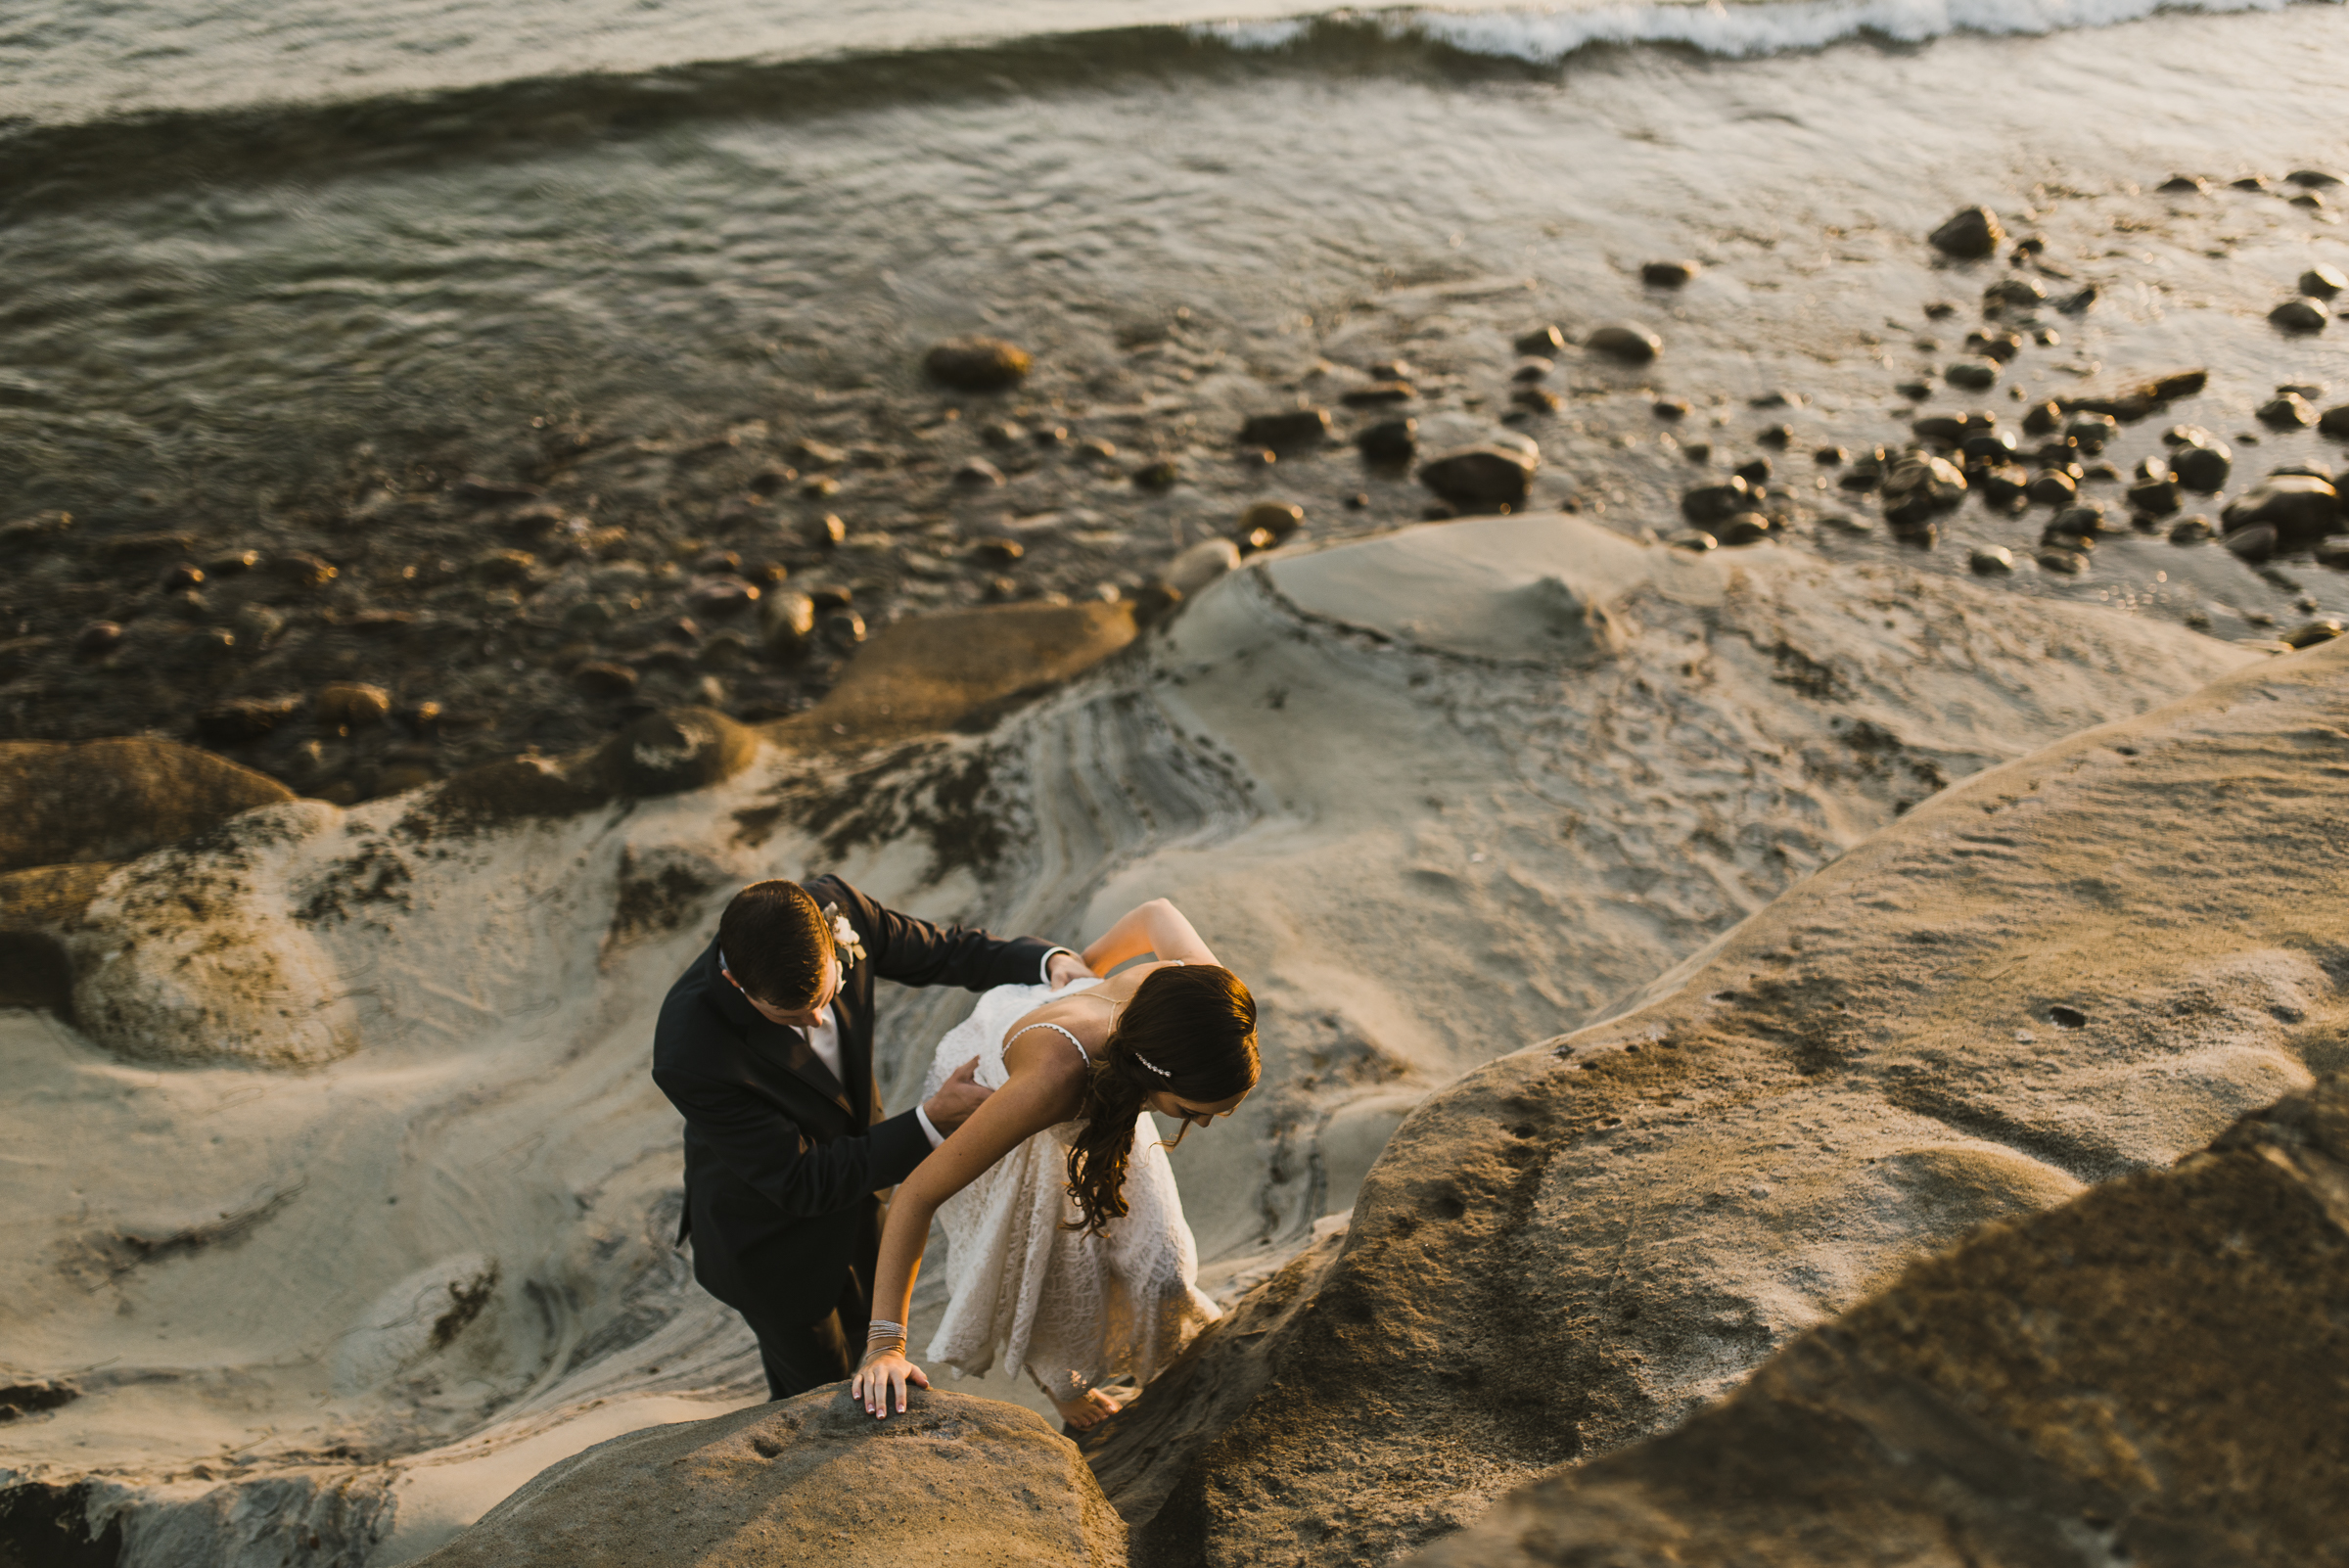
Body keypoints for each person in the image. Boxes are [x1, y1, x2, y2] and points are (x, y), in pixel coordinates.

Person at [652, 875, 1093, 1402]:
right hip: (770, 1242)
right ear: (736, 987)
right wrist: (932, 1119)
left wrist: (1046, 962)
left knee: (872, 1340)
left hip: (863, 1200)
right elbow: (802, 1181)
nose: (816, 1020)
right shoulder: (689, 1048)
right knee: (818, 1398)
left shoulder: (840, 913)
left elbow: (945, 951)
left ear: (830, 942)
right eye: (789, 1016)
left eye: (824, 995)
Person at [850, 897, 1259, 1428]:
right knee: (1052, 1277)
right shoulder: (1052, 1083)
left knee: (1165, 1263)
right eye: (1191, 1112)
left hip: (1106, 1063)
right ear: (1154, 1076)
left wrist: (1086, 965)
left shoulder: (1203, 1001)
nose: (1200, 1126)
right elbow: (917, 1194)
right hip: (1011, 1090)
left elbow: (1158, 912)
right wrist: (885, 1345)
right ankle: (1063, 1386)